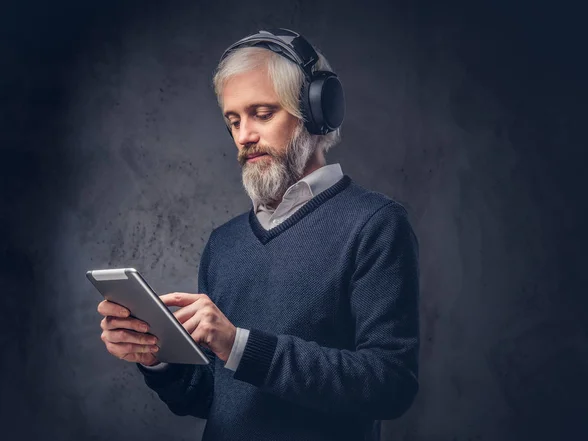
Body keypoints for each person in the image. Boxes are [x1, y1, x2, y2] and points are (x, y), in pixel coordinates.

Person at [96, 28, 420, 441]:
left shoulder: (376, 224)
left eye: (262, 114)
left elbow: (389, 385)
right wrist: (158, 357)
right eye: (233, 120)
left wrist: (239, 346)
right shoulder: (224, 243)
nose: (244, 136)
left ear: (317, 112)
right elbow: (209, 400)